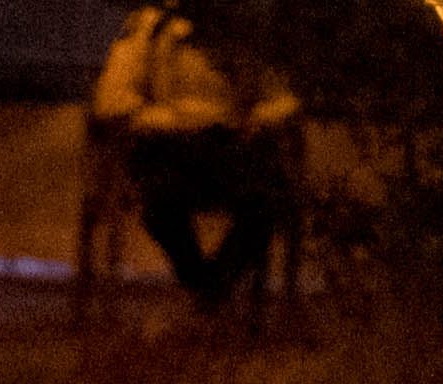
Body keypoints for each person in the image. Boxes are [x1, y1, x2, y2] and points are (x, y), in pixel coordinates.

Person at [92, 4, 300, 310]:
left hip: (231, 149)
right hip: (170, 147)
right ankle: (206, 284)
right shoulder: (151, 27)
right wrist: (173, 119)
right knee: (159, 202)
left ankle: (212, 287)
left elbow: (285, 99)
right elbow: (113, 100)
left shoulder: (244, 32)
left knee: (266, 199)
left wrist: (254, 117)